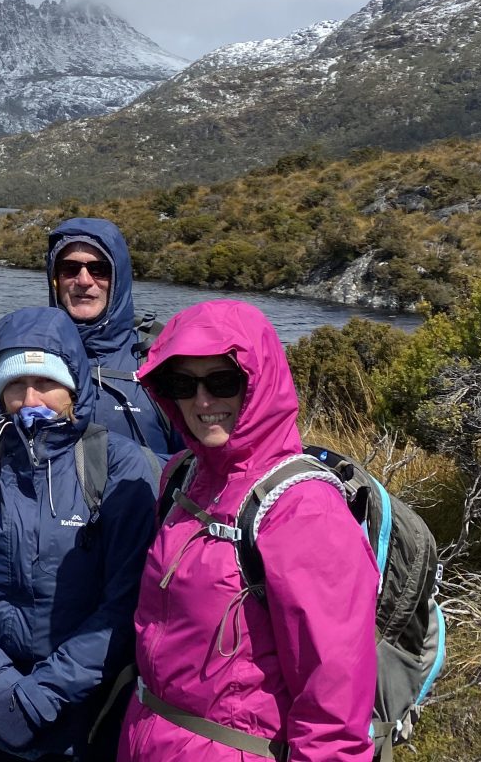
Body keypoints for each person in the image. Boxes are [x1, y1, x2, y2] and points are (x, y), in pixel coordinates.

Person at [118, 299, 379, 761]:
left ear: (258, 384)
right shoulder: (184, 474)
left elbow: (334, 710)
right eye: (183, 383)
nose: (202, 401)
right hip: (148, 738)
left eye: (223, 382)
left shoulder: (304, 510)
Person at [0, 306, 156, 761]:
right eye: (14, 385)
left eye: (46, 383)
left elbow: (126, 599)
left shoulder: (118, 464)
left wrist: (45, 693)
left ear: (74, 384)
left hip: (82, 716)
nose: (30, 399)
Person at [46, 217, 180, 458]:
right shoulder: (29, 357)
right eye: (70, 269)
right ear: (55, 279)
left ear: (119, 277)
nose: (84, 281)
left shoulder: (163, 361)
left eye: (99, 269)